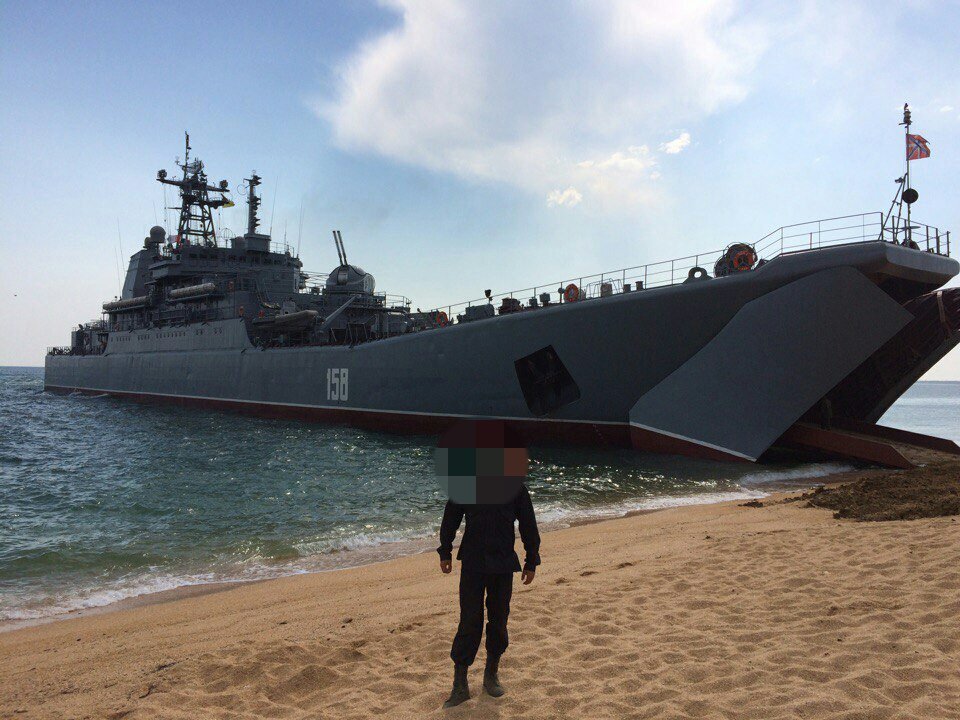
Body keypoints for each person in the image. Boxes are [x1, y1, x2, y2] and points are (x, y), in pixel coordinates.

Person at [437, 483, 541, 708]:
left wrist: (531, 559)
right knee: (469, 621)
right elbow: (451, 517)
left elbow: (528, 524)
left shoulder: (516, 488)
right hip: (473, 563)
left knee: (499, 619)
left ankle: (491, 674)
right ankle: (460, 684)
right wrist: (445, 550)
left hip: (503, 563)